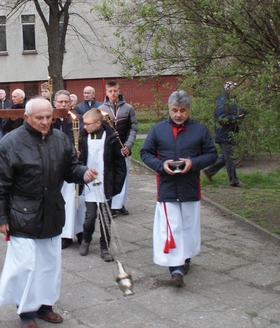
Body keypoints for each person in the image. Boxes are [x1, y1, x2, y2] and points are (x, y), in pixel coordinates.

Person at [0, 98, 97, 327]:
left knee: (49, 265)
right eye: (40, 118)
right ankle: (26, 311)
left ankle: (45, 306)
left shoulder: (61, 139)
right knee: (25, 266)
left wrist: (83, 172)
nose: (46, 122)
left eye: (49, 117)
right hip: (21, 214)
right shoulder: (10, 144)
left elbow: (70, 169)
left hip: (52, 212)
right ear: (27, 117)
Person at [140, 90, 217, 288]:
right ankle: (176, 269)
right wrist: (161, 166)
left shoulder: (199, 130)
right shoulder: (158, 130)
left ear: (188, 110)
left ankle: (186, 257)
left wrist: (193, 162)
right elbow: (145, 153)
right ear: (169, 109)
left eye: (182, 110)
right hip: (166, 188)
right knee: (171, 229)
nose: (178, 114)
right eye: (175, 110)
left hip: (190, 187)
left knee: (188, 228)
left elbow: (211, 154)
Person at [78, 108, 127, 262]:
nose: (84, 126)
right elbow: (78, 161)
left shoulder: (111, 138)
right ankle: (86, 239)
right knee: (90, 217)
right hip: (90, 183)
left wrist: (116, 186)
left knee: (105, 219)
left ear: (98, 123)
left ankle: (105, 247)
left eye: (87, 124)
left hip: (106, 183)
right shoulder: (82, 137)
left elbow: (120, 164)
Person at [98, 80, 137, 217]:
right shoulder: (101, 109)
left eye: (115, 91)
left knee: (123, 175)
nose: (113, 93)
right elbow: (99, 129)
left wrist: (128, 145)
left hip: (123, 147)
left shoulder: (128, 108)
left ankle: (120, 204)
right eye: (110, 91)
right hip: (109, 148)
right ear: (106, 92)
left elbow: (133, 128)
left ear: (119, 91)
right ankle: (112, 204)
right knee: (110, 174)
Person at [52, 90, 85, 249]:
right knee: (63, 201)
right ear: (55, 103)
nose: (64, 105)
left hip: (73, 166)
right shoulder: (50, 120)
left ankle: (79, 230)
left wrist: (79, 151)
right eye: (60, 102)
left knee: (77, 200)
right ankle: (64, 234)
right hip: (56, 166)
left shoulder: (76, 119)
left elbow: (82, 138)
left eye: (67, 102)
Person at [203, 81, 246, 187]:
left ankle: (209, 171)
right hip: (225, 133)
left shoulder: (229, 100)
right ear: (229, 89)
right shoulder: (223, 101)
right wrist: (237, 117)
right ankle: (234, 181)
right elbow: (221, 118)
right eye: (235, 89)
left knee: (226, 156)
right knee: (230, 157)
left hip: (229, 132)